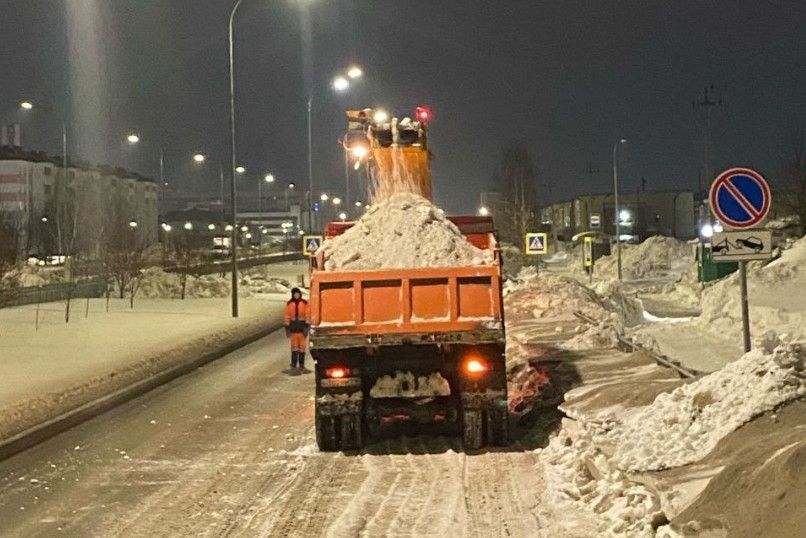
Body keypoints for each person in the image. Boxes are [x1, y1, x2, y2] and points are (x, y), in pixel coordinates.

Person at [283, 287, 310, 372]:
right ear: (293, 295)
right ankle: (294, 365)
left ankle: (301, 365)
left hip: (302, 329)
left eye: (298, 294)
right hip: (293, 329)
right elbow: (286, 316)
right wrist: (287, 328)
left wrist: (307, 327)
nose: (297, 295)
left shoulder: (305, 303)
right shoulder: (289, 304)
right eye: (295, 294)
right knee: (294, 348)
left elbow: (308, 315)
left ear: (300, 294)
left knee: (302, 348)